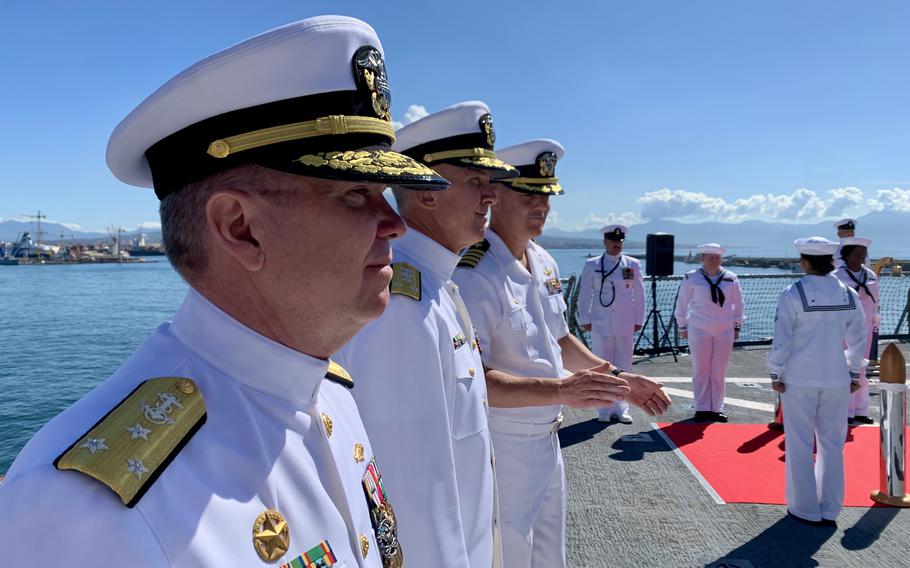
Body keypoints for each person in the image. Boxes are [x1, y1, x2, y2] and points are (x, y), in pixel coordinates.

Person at [0, 16, 451, 567]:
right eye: (357, 196)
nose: (394, 223)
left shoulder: (327, 390)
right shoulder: (83, 514)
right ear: (240, 228)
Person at [454, 139, 670, 568]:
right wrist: (562, 389)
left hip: (548, 436)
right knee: (509, 553)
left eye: (546, 195)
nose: (541, 206)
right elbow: (473, 379)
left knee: (550, 554)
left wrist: (622, 380)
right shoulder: (476, 274)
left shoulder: (544, 262)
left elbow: (561, 341)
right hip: (505, 443)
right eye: (528, 194)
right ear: (495, 195)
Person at [334, 101, 517, 567]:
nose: (491, 195)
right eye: (476, 181)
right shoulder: (400, 306)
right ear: (427, 190)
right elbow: (411, 498)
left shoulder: (434, 287)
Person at [767, 237, 867, 526]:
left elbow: (782, 340)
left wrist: (776, 372)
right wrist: (852, 372)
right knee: (832, 444)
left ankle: (805, 508)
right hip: (836, 378)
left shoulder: (793, 292)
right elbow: (859, 338)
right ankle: (830, 508)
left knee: (799, 443)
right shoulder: (848, 293)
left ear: (805, 261)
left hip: (799, 378)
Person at [577, 224, 645, 423]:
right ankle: (604, 409)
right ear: (605, 242)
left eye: (620, 241)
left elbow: (639, 293)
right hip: (600, 321)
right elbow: (585, 293)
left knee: (624, 365)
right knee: (602, 366)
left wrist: (639, 319)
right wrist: (585, 318)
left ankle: (621, 408)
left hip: (625, 322)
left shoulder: (632, 264)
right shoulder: (593, 264)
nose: (618, 244)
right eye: (614, 241)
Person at [673, 243, 745, 422]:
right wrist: (682, 325)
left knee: (719, 370)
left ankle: (717, 408)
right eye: (710, 257)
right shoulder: (692, 277)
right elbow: (682, 303)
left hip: (724, 329)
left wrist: (737, 326)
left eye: (717, 257)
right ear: (702, 258)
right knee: (701, 369)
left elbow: (738, 304)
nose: (714, 260)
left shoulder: (731, 278)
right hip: (699, 328)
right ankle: (702, 407)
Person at [834, 237, 879, 425]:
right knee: (845, 368)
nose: (861, 256)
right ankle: (846, 410)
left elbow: (875, 303)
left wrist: (875, 325)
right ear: (846, 255)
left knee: (862, 367)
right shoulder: (837, 277)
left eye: (863, 253)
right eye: (857, 253)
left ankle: (861, 409)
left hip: (866, 327)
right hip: (844, 328)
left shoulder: (871, 276)